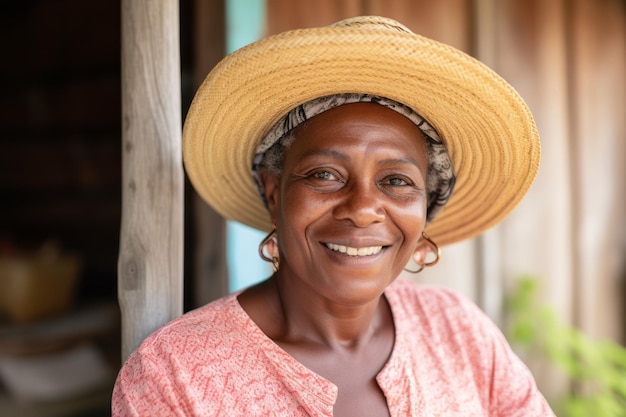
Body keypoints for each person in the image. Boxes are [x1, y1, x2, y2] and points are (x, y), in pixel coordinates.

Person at [112, 16, 555, 416]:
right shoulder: (176, 375)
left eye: (397, 181)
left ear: (426, 206)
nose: (362, 210)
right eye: (324, 174)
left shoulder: (459, 332)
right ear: (273, 193)